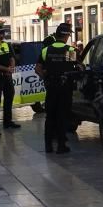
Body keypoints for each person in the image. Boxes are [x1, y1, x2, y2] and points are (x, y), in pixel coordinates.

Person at [35, 22, 78, 154]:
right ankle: (61, 146)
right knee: (62, 117)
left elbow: (37, 69)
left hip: (51, 87)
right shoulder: (70, 50)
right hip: (65, 88)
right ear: (66, 36)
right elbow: (75, 68)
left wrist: (46, 78)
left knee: (50, 116)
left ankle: (48, 146)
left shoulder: (45, 50)